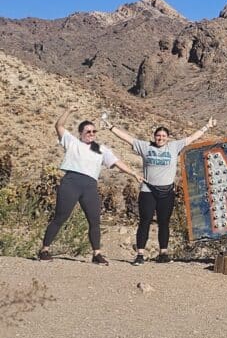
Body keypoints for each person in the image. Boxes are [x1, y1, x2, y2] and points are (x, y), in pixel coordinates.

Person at [39, 106, 143, 265]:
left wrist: (133, 173)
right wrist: (68, 111)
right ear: (80, 133)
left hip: (89, 186)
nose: (92, 134)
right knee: (60, 217)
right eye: (88, 131)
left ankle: (97, 254)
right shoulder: (72, 142)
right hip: (71, 182)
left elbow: (117, 162)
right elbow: (59, 126)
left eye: (94, 131)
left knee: (94, 220)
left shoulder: (101, 149)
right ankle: (44, 250)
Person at [106, 116, 216, 264]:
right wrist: (111, 127)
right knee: (144, 221)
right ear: (154, 137)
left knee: (164, 222)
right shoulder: (146, 147)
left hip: (167, 191)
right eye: (158, 135)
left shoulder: (174, 147)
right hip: (148, 190)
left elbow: (191, 138)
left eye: (164, 136)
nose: (160, 138)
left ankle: (163, 253)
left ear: (168, 138)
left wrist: (207, 127)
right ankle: (140, 254)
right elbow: (128, 138)